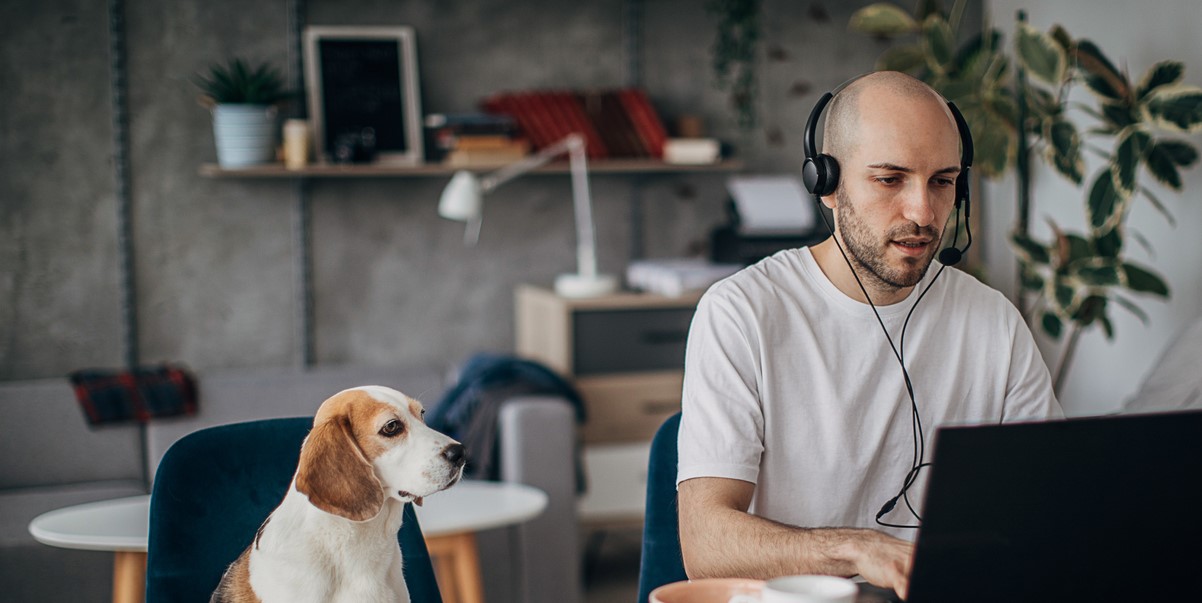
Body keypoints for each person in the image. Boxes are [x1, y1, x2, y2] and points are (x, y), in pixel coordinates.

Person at [676, 71, 1062, 599]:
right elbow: (706, 548)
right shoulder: (742, 312)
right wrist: (859, 550)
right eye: (890, 179)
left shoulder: (992, 320)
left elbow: (1052, 505)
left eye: (943, 181)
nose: (923, 213)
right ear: (826, 184)